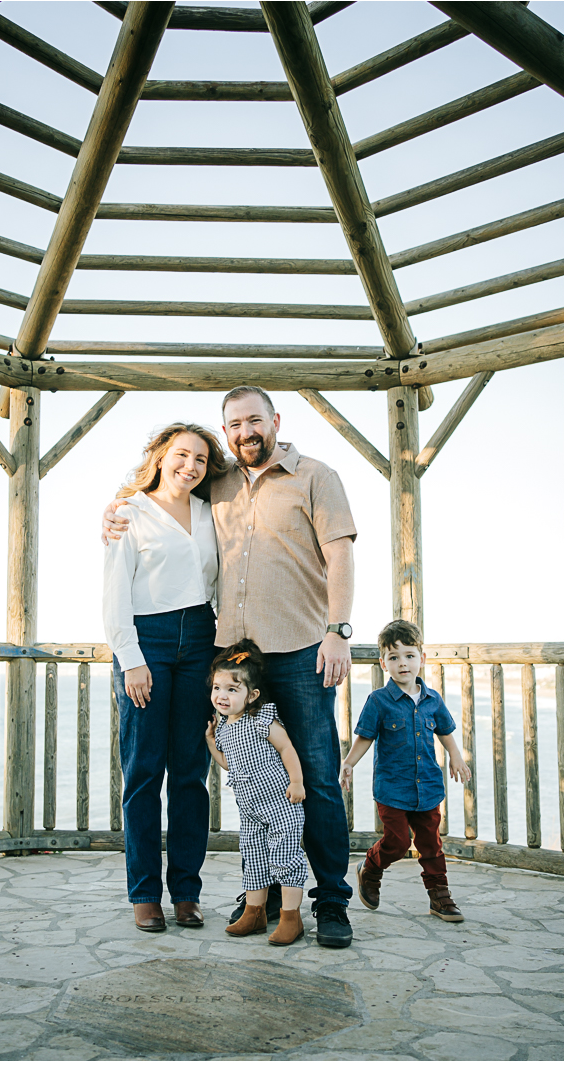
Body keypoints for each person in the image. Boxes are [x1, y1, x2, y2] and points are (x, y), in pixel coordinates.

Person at [104, 386, 357, 948]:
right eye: (234, 423)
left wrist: (339, 632)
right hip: (232, 662)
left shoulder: (316, 475)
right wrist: (114, 511)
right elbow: (150, 514)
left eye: (254, 420)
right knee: (247, 781)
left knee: (313, 776)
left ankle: (331, 902)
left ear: (275, 421)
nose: (245, 431)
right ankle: (252, 897)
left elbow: (340, 552)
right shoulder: (213, 487)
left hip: (299, 651)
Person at [103, 422, 228, 933]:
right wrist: (131, 658)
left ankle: (186, 892)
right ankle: (144, 894)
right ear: (159, 456)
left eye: (200, 459)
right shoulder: (129, 514)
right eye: (181, 455)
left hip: (200, 640)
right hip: (146, 644)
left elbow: (218, 583)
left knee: (190, 774)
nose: (190, 466)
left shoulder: (211, 513)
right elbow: (115, 593)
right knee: (143, 774)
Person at [340, 619, 471, 921]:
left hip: (427, 787)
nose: (403, 663)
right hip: (392, 788)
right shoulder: (379, 701)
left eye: (410, 656)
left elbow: (446, 731)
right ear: (383, 662)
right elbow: (365, 737)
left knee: (431, 845)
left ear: (422, 659)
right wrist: (348, 763)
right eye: (394, 657)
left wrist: (456, 757)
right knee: (398, 842)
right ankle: (371, 868)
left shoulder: (432, 699)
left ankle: (439, 896)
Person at [205, 639, 308, 945]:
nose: (222, 696)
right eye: (217, 688)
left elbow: (287, 748)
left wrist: (297, 782)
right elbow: (229, 764)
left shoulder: (261, 719)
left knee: (286, 858)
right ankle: (255, 913)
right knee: (254, 859)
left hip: (281, 804)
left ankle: (292, 918)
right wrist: (211, 743)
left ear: (252, 695)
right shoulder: (223, 727)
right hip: (250, 810)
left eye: (232, 690)